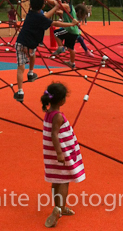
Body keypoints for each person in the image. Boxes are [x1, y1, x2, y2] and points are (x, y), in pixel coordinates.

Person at [14, 0, 77, 102]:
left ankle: (20, 91)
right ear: (43, 6)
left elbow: (46, 16)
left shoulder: (30, 13)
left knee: (21, 68)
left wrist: (53, 5)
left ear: (30, 5)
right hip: (31, 44)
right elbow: (54, 22)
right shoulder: (41, 18)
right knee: (32, 55)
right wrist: (71, 24)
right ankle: (30, 73)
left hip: (21, 42)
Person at [41, 82, 85, 227]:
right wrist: (60, 153)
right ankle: (60, 208)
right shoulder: (58, 116)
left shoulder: (48, 113)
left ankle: (58, 206)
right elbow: (54, 134)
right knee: (65, 180)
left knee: (56, 179)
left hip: (50, 152)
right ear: (61, 100)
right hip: (60, 151)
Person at [53, 0, 82, 69]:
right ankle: (72, 63)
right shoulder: (69, 9)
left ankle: (61, 47)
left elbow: (57, 5)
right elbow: (61, 11)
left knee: (56, 33)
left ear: (64, 2)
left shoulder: (67, 6)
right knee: (70, 48)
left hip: (70, 30)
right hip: (74, 31)